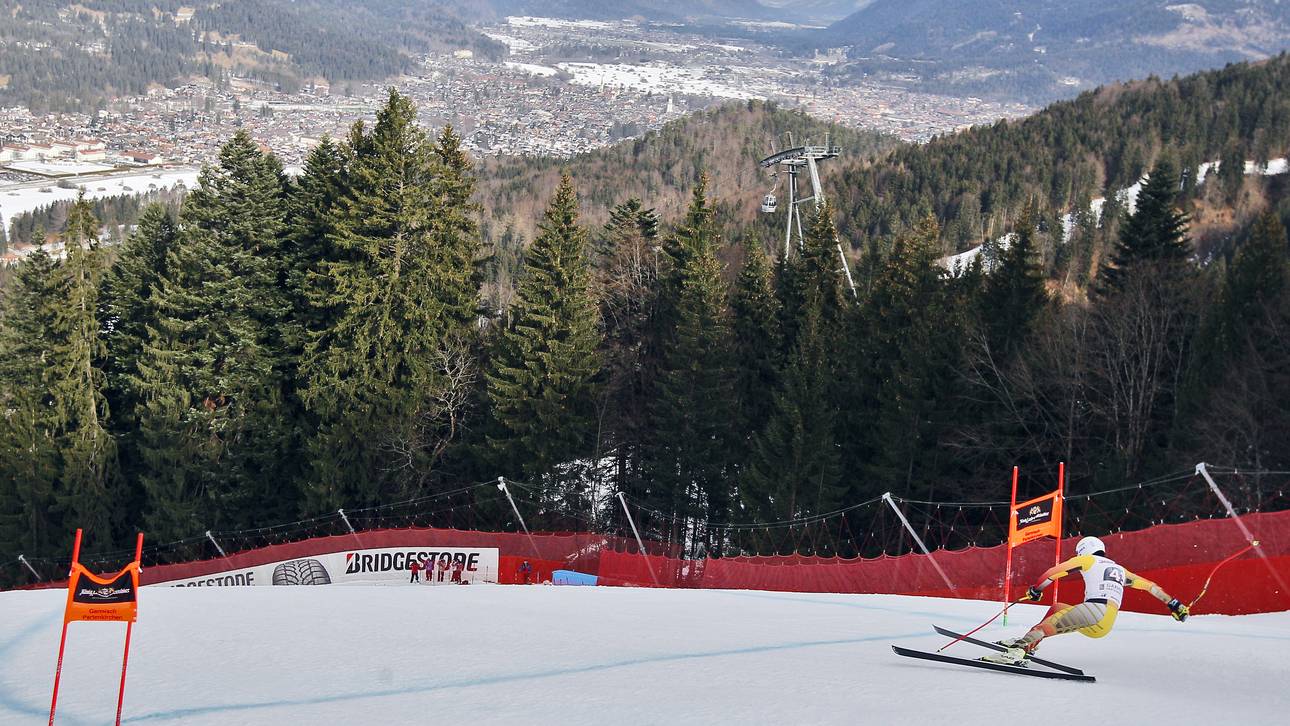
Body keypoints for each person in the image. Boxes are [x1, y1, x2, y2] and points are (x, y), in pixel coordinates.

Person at [985, 535, 1189, 665]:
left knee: (1048, 626)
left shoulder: (1088, 559)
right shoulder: (1119, 569)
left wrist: (1036, 590)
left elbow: (1053, 572)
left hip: (1094, 609)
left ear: (1083, 550)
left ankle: (1017, 652)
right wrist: (1174, 604)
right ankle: (1030, 642)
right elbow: (1151, 586)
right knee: (1057, 608)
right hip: (1106, 621)